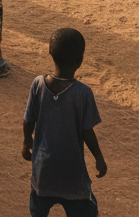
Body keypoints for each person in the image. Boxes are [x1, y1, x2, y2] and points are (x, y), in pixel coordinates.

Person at [22, 28, 107, 217]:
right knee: (85, 208)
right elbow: (88, 132)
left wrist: (26, 142)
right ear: (80, 61)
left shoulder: (37, 84)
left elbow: (28, 120)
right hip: (72, 173)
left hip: (43, 170)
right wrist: (99, 158)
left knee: (38, 206)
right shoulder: (83, 93)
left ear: (51, 54)